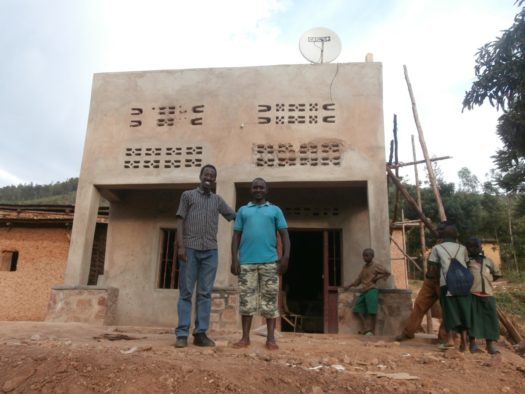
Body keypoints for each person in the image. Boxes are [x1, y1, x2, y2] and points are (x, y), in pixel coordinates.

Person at [174, 164, 236, 348]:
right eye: (206, 174)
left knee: (205, 293)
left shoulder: (217, 200)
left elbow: (233, 215)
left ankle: (200, 334)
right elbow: (180, 220)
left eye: (212, 175)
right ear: (200, 176)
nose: (209, 177)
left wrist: (256, 214)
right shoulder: (188, 196)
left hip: (210, 251)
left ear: (214, 179)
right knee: (186, 293)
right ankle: (182, 334)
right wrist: (180, 246)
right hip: (189, 249)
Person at [231, 177, 290, 350]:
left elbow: (285, 235)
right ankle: (244, 338)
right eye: (255, 187)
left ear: (266, 190)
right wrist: (235, 259)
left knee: (270, 301)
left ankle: (270, 339)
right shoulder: (243, 210)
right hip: (247, 263)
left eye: (261, 187)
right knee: (246, 302)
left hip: (269, 263)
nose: (258, 190)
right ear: (251, 190)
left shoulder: (275, 210)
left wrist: (285, 258)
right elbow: (236, 236)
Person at [395, 224, 449, 343]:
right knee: (419, 305)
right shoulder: (438, 244)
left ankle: (444, 338)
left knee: (447, 310)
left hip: (444, 281)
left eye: (441, 230)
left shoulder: (453, 247)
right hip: (431, 280)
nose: (437, 232)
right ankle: (409, 332)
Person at [428, 224, 471, 351]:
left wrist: (431, 276)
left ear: (444, 235)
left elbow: (433, 267)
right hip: (464, 284)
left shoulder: (437, 248)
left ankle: (450, 340)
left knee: (449, 312)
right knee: (463, 312)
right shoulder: (463, 248)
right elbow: (467, 264)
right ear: (456, 236)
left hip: (447, 284)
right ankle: (464, 342)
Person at [466, 237, 502, 354]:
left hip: (488, 294)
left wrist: (487, 281)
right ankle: (472, 344)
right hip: (472, 294)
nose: (473, 249)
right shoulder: (467, 262)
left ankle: (490, 345)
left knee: (490, 319)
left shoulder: (488, 261)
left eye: (475, 246)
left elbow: (497, 274)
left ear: (480, 247)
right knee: (473, 320)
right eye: (470, 247)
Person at [345, 248, 390, 336]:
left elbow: (387, 273)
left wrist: (377, 278)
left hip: (372, 290)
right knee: (357, 309)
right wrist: (349, 286)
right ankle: (366, 328)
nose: (364, 257)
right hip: (364, 290)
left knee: (372, 311)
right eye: (363, 255)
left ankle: (371, 331)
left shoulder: (376, 266)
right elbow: (358, 280)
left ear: (372, 256)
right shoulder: (364, 267)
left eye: (366, 255)